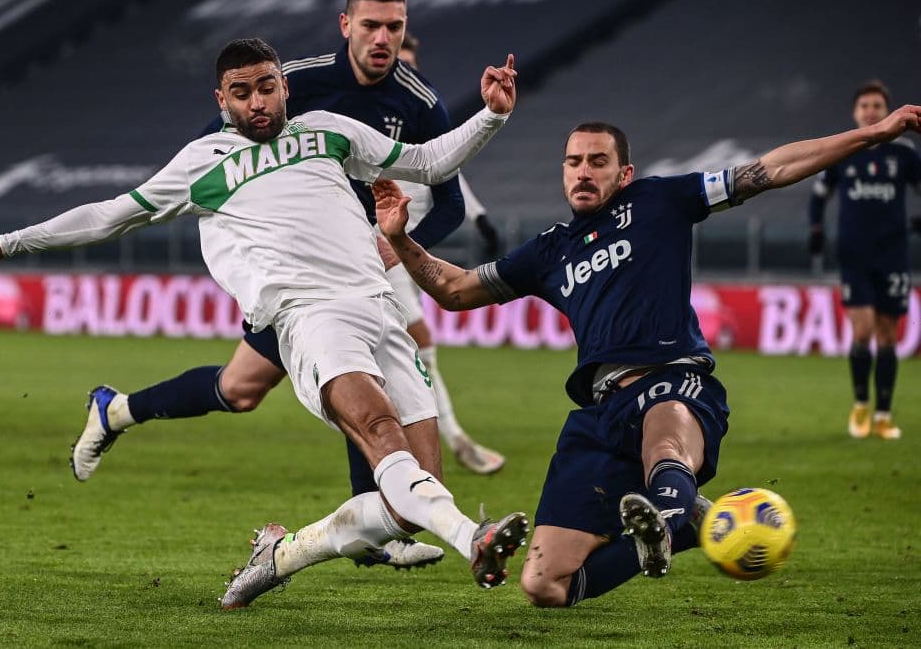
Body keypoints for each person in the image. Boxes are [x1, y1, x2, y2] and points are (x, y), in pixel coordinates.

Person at [0, 37, 529, 608]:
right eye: (241, 92)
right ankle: (471, 540)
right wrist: (7, 243)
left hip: (379, 306)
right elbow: (109, 216)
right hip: (307, 315)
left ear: (283, 87)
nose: (257, 102)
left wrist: (491, 116)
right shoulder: (202, 163)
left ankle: (282, 555)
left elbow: (425, 162)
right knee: (377, 429)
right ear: (222, 100)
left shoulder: (328, 130)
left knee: (414, 499)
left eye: (266, 87)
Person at [375, 103, 921, 607]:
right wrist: (400, 239)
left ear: (625, 174)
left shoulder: (660, 201)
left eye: (597, 161)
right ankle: (671, 530)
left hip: (672, 379)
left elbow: (770, 169)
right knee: (543, 585)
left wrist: (872, 134)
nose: (582, 172)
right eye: (573, 162)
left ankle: (668, 506)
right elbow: (457, 289)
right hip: (598, 414)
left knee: (664, 440)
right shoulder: (550, 248)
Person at [75, 0, 502, 507]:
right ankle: (377, 520)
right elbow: (219, 149)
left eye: (394, 27)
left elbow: (451, 203)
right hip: (293, 270)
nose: (382, 38)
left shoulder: (419, 104)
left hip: (362, 265)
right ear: (346, 25)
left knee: (267, 386)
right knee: (261, 386)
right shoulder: (295, 83)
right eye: (371, 25)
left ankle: (117, 411)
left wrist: (397, 246)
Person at [383, 31, 505, 474]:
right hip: (369, 248)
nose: (407, 72)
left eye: (411, 64)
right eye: (400, 63)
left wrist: (480, 217)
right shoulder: (369, 120)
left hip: (399, 248)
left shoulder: (419, 114)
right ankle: (429, 440)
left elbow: (447, 174)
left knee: (414, 345)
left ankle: (440, 438)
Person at [809, 80, 921, 440]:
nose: (871, 111)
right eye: (865, 106)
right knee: (862, 331)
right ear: (856, 112)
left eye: (877, 105)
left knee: (888, 335)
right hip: (853, 254)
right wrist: (815, 228)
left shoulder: (904, 153)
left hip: (893, 253)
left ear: (886, 111)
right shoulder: (845, 151)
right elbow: (819, 193)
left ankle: (884, 414)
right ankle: (860, 405)